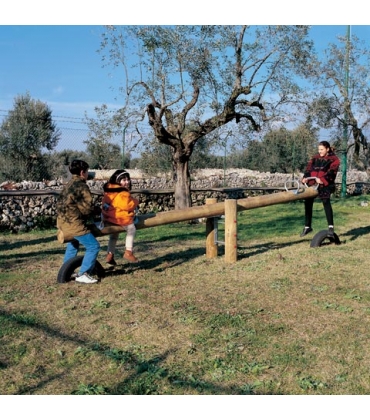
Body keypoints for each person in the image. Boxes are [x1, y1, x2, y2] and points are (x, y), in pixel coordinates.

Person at [56, 159, 101, 284]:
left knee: (73, 244)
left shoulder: (69, 184)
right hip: (74, 224)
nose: (88, 174)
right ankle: (83, 273)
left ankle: (66, 271)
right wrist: (98, 210)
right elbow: (87, 209)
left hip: (63, 222)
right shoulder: (81, 186)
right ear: (82, 172)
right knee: (93, 246)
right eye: (87, 171)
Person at [300, 141, 340, 238]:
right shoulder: (315, 158)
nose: (320, 151)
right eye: (319, 149)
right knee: (308, 202)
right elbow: (308, 170)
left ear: (327, 149)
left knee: (326, 201)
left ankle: (330, 227)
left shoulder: (334, 159)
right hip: (313, 184)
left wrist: (322, 180)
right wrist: (305, 177)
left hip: (326, 184)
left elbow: (331, 172)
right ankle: (307, 226)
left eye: (321, 149)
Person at [101, 170, 139, 265]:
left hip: (108, 216)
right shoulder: (123, 192)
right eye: (124, 180)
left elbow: (106, 203)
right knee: (131, 229)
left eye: (128, 179)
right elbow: (127, 205)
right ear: (118, 181)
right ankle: (128, 252)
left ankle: (110, 254)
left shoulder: (109, 189)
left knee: (114, 235)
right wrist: (135, 201)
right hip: (119, 217)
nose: (127, 182)